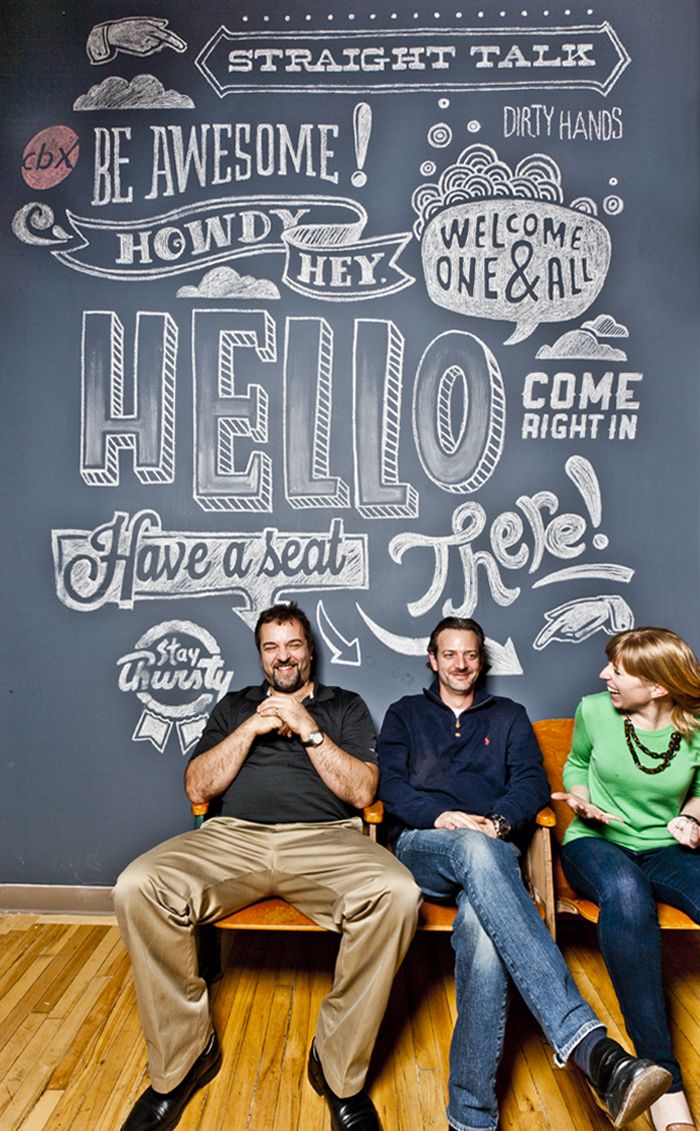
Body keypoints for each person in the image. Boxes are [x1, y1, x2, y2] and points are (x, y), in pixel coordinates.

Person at [114, 602, 421, 1131]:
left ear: (310, 650)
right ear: (260, 655)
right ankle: (184, 1059)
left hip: (326, 841)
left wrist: (308, 728)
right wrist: (251, 729)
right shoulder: (234, 706)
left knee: (397, 894)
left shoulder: (344, 706)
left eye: (293, 644)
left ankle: (337, 1068)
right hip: (234, 839)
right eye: (272, 647)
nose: (284, 656)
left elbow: (363, 791)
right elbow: (197, 787)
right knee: (137, 885)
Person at [377, 615, 672, 1131]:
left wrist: (496, 822)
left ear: (481, 660)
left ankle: (470, 1118)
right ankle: (589, 1045)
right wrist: (441, 818)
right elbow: (391, 788)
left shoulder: (508, 715)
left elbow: (532, 784)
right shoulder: (404, 714)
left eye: (470, 654)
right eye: (449, 654)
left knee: (486, 939)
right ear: (432, 660)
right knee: (469, 848)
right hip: (424, 847)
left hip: (492, 852)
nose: (461, 664)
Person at [553, 627, 700, 1131]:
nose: (604, 675)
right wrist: (579, 797)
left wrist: (693, 818)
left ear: (658, 686)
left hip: (664, 846)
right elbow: (575, 763)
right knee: (626, 895)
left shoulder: (696, 727)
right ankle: (665, 1082)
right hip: (597, 843)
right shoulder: (594, 711)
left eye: (617, 669)